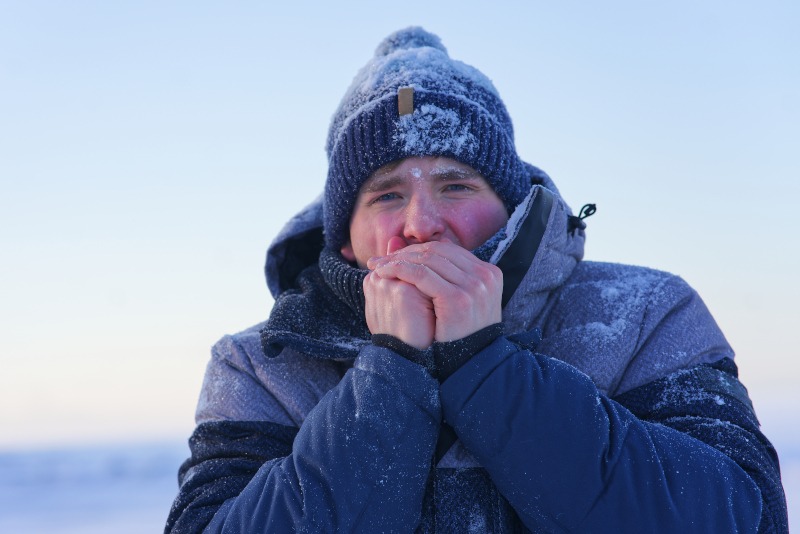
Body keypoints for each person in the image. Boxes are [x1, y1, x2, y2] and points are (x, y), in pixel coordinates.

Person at [165, 27, 788, 533]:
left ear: (510, 205)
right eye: (384, 196)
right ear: (346, 239)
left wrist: (484, 367)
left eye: (455, 185)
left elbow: (742, 515)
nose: (420, 224)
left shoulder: (645, 314)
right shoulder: (260, 365)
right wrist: (391, 373)